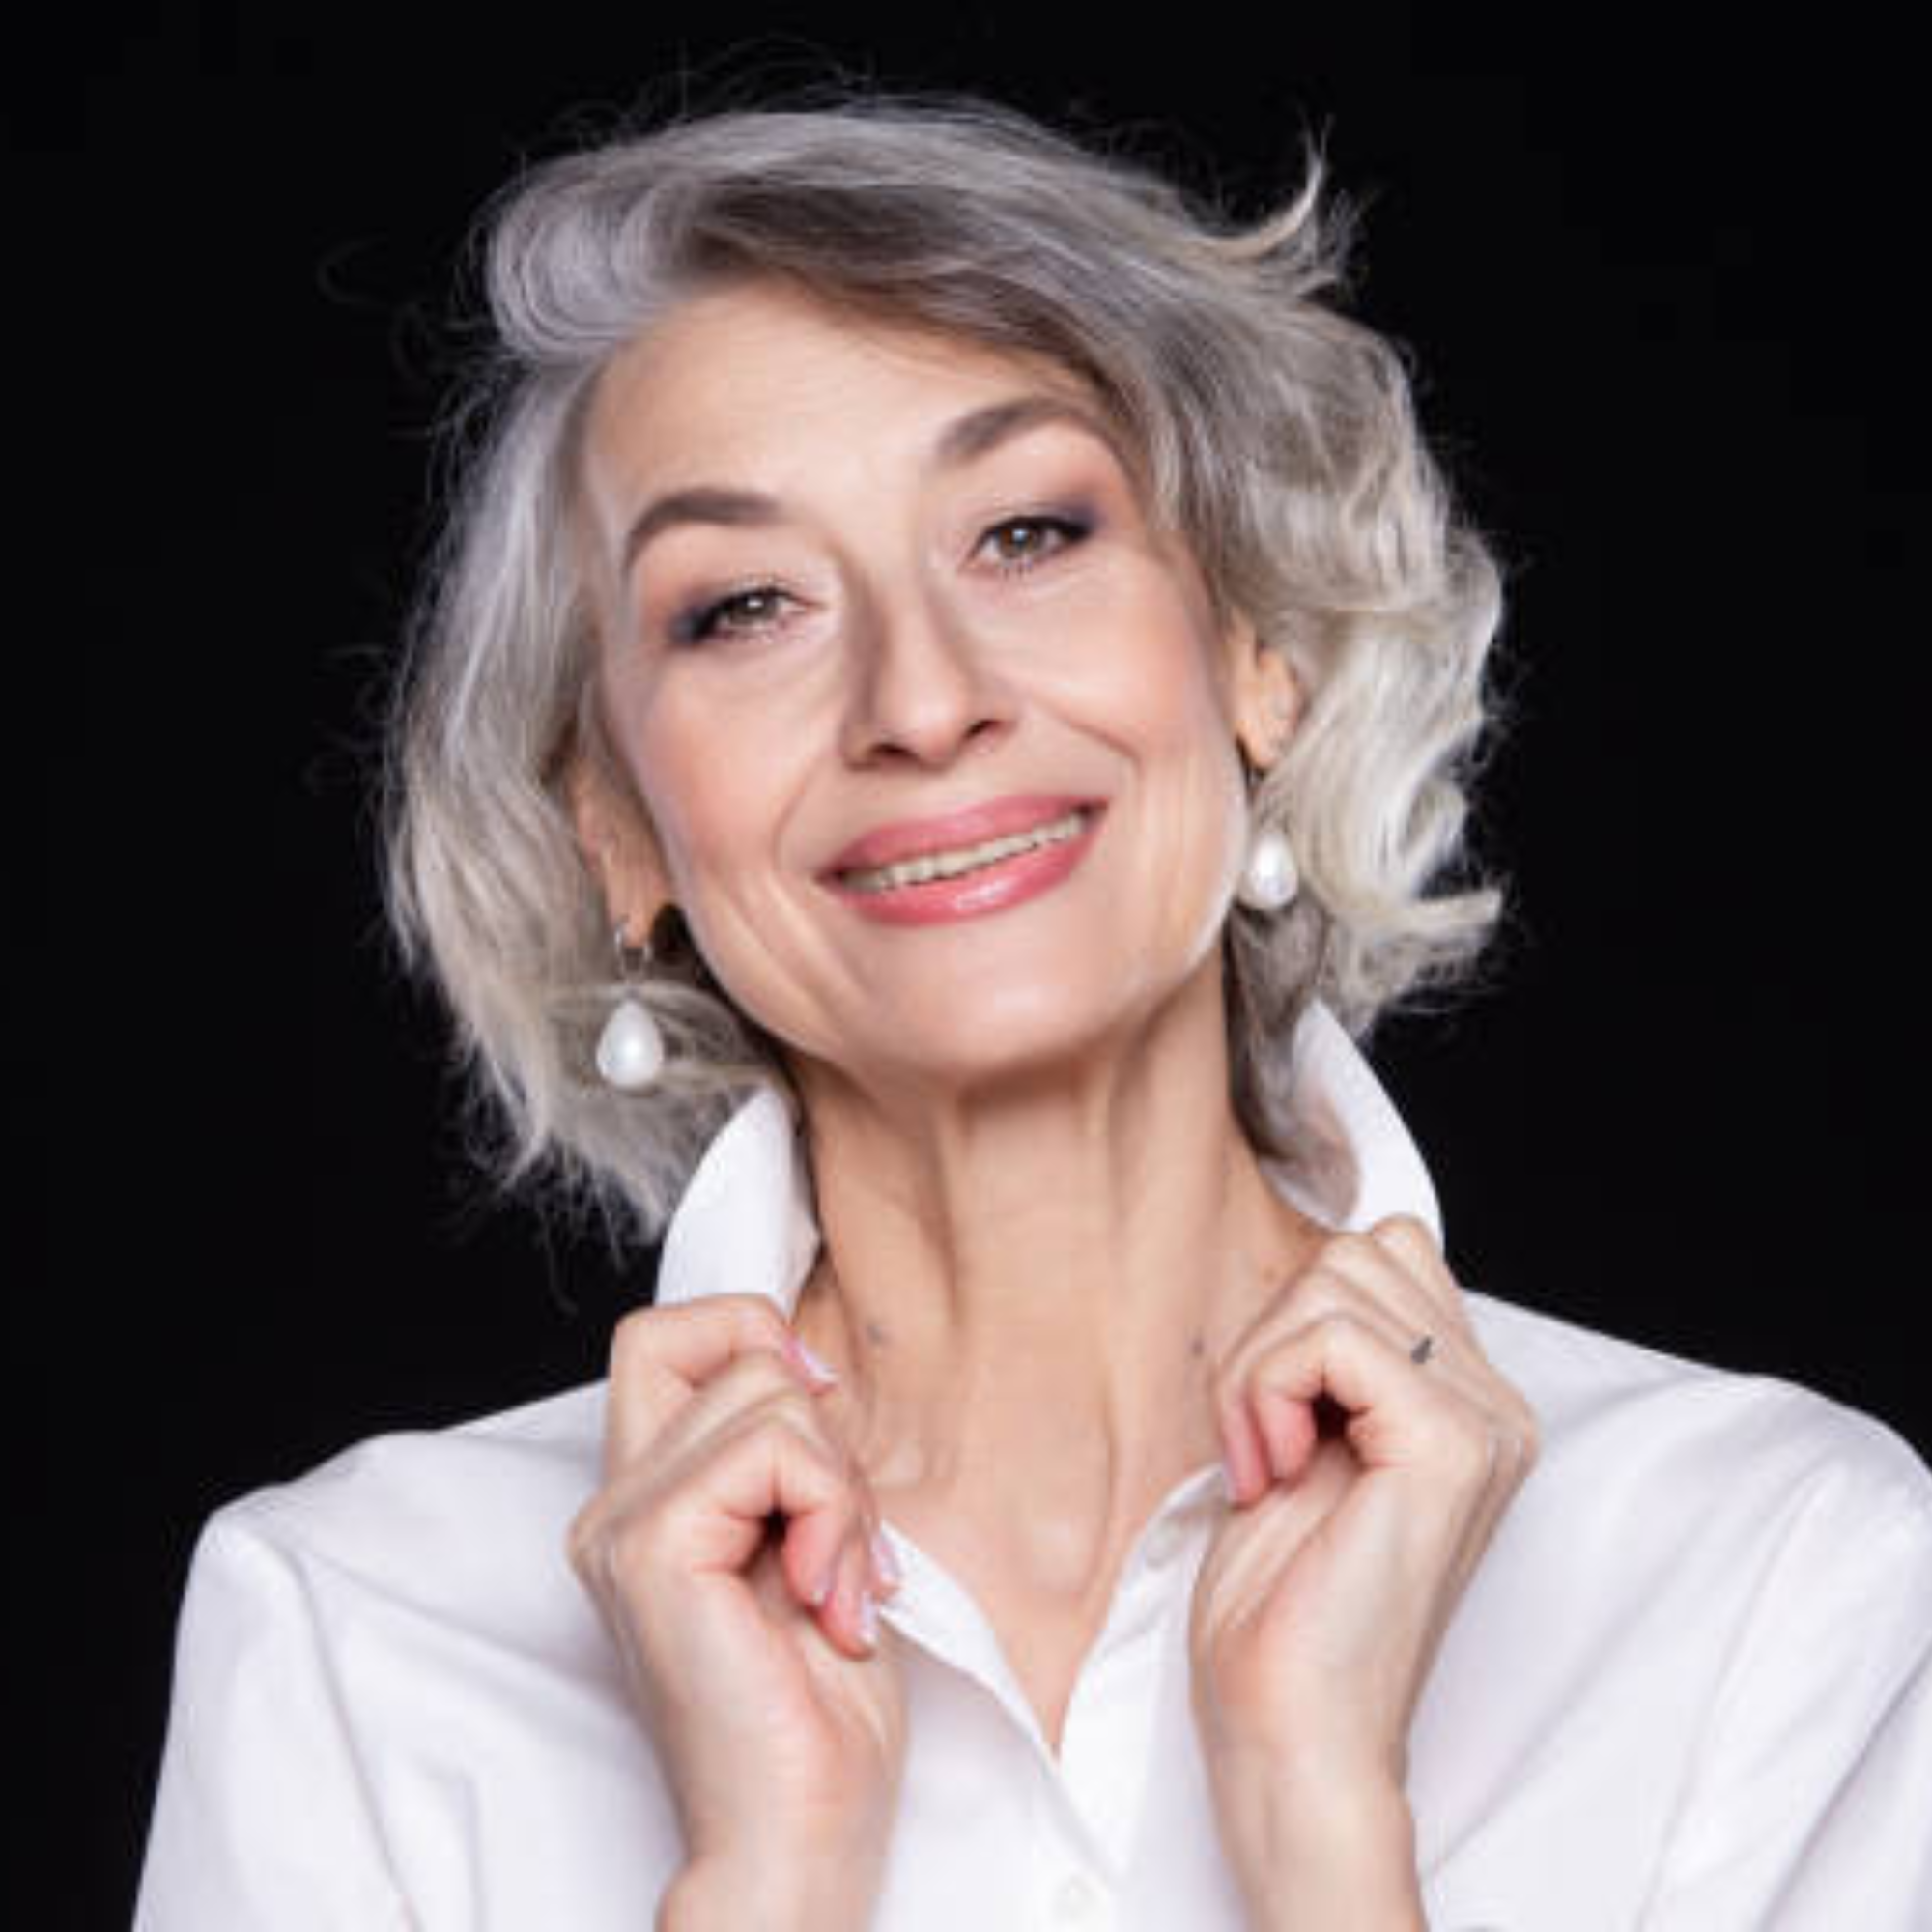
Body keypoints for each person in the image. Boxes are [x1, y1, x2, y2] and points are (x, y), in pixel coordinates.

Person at [137, 95, 1932, 1930]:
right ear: (611, 824)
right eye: (745, 605)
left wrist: (1320, 1823)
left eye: (1026, 532)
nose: (921, 700)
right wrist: (763, 1881)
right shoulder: (353, 1636)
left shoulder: (1782, 1573)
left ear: (1255, 648)